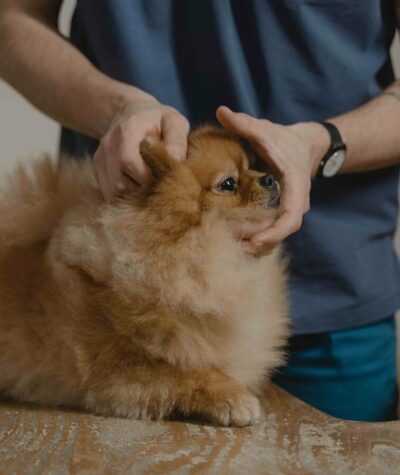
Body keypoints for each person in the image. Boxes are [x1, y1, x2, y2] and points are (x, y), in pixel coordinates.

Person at [0, 0, 399, 421]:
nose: (260, 181)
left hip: (339, 301)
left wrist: (325, 142)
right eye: (231, 183)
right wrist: (114, 107)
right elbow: (11, 18)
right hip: (113, 311)